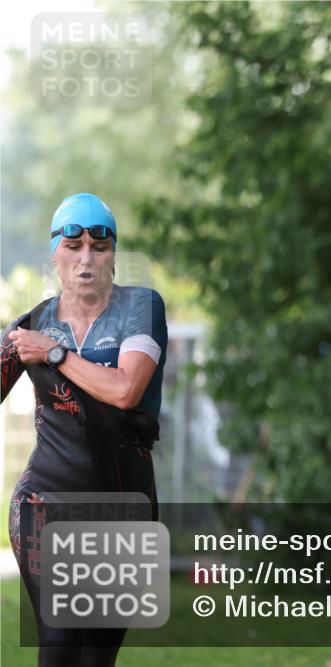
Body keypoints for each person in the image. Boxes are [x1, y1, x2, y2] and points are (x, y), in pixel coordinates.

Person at [1, 193, 168, 667]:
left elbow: (124, 391)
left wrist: (54, 354)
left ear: (114, 254)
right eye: (73, 246)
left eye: (100, 245)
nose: (87, 258)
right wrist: (28, 345)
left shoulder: (142, 307)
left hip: (124, 503)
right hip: (44, 504)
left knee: (96, 656)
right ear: (55, 253)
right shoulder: (33, 323)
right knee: (58, 645)